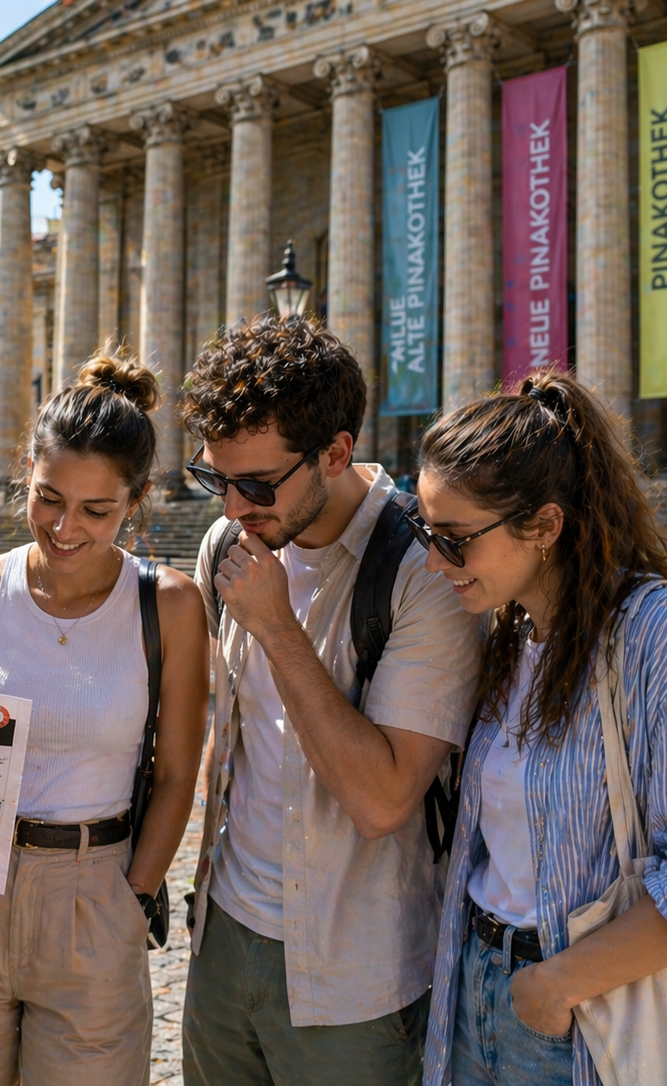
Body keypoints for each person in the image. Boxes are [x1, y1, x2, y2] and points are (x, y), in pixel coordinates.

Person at [414, 372, 667, 1086]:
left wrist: (555, 986)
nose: (433, 561)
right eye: (425, 532)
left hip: (589, 1014)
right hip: (473, 989)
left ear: (545, 526)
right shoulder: (509, 632)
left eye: (455, 540)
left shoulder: (666, 636)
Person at [178, 314, 484, 1086]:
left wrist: (280, 629)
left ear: (337, 452)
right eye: (216, 479)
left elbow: (383, 801)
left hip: (357, 976)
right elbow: (234, 734)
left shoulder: (423, 575)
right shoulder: (229, 545)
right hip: (226, 940)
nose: (232, 509)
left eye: (255, 485)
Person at [0, 355, 209, 1086]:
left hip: (96, 890)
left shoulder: (170, 605)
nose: (65, 527)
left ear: (137, 501)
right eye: (49, 498)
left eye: (96, 510)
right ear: (27, 470)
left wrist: (132, 895)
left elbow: (179, 773)